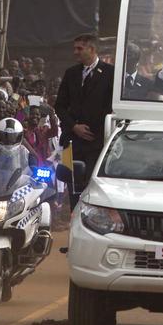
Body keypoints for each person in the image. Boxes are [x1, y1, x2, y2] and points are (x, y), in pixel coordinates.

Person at [54, 34, 114, 201]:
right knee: (71, 185)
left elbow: (110, 108)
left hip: (95, 143)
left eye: (79, 48)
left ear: (92, 49)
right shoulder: (71, 73)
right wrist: (74, 127)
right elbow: (59, 106)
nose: (75, 52)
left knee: (91, 187)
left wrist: (94, 130)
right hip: (71, 141)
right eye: (75, 48)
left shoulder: (110, 73)